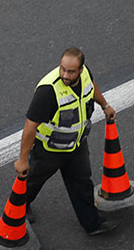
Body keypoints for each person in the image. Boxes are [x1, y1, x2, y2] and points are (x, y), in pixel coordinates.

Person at [14, 47, 120, 235]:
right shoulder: (48, 90)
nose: (65, 74)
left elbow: (91, 87)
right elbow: (30, 126)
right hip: (49, 150)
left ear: (80, 70)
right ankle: (20, 207)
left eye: (71, 71)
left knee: (82, 182)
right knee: (33, 180)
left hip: (76, 144)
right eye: (62, 69)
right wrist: (22, 159)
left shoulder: (86, 74)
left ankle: (92, 223)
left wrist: (105, 105)